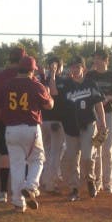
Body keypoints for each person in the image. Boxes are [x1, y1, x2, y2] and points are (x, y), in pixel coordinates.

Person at [0, 55, 53, 212]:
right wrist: (49, 95)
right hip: (30, 128)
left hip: (11, 129)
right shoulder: (36, 85)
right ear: (31, 70)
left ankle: (18, 202)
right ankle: (30, 186)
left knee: (17, 165)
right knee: (37, 159)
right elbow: (49, 106)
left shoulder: (7, 85)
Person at [52, 55, 107, 201]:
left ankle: (90, 180)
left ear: (84, 68)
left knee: (88, 156)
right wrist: (52, 74)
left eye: (78, 67)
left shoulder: (90, 84)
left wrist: (103, 122)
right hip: (70, 127)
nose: (75, 70)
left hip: (88, 124)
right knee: (72, 159)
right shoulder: (65, 85)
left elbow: (99, 104)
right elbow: (53, 93)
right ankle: (74, 188)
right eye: (73, 67)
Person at [0, 46, 25, 203]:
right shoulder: (27, 76)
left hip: (2, 120)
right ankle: (22, 191)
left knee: (5, 154)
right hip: (23, 121)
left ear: (9, 59)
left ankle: (2, 191)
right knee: (25, 157)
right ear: (22, 60)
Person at [84, 49, 112, 194]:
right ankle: (97, 181)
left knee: (107, 149)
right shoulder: (90, 75)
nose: (96, 61)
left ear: (106, 61)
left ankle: (108, 182)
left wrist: (110, 98)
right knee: (96, 149)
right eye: (95, 58)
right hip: (92, 115)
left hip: (108, 114)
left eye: (99, 58)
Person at [39, 56, 66, 194]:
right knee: (55, 152)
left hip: (43, 120)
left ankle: (45, 179)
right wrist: (54, 74)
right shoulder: (60, 80)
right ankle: (50, 182)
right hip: (54, 121)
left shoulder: (42, 80)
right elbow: (54, 93)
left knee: (49, 152)